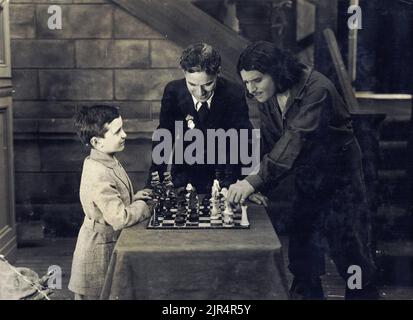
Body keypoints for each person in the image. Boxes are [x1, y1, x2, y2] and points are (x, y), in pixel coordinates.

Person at [227, 41, 379, 300]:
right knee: (302, 255)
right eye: (246, 83)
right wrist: (258, 185)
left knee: (351, 255)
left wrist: (252, 182)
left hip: (340, 177)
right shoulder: (267, 96)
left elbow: (295, 139)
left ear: (277, 71)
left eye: (257, 80)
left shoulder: (317, 89)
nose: (251, 89)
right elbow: (272, 143)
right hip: (306, 176)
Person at [68, 105, 152, 300]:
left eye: (122, 128)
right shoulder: (98, 172)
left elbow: (115, 201)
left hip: (106, 242)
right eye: (117, 132)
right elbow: (119, 218)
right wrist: (144, 207)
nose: (124, 135)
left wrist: (135, 198)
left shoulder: (105, 159)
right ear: (97, 142)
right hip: (99, 252)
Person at [146, 43, 253, 193]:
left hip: (225, 178)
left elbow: (245, 139)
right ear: (184, 72)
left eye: (208, 84)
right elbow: (164, 137)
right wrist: (153, 184)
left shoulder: (234, 93)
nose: (200, 92)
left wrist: (249, 184)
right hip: (184, 178)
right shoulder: (173, 91)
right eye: (192, 84)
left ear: (218, 73)